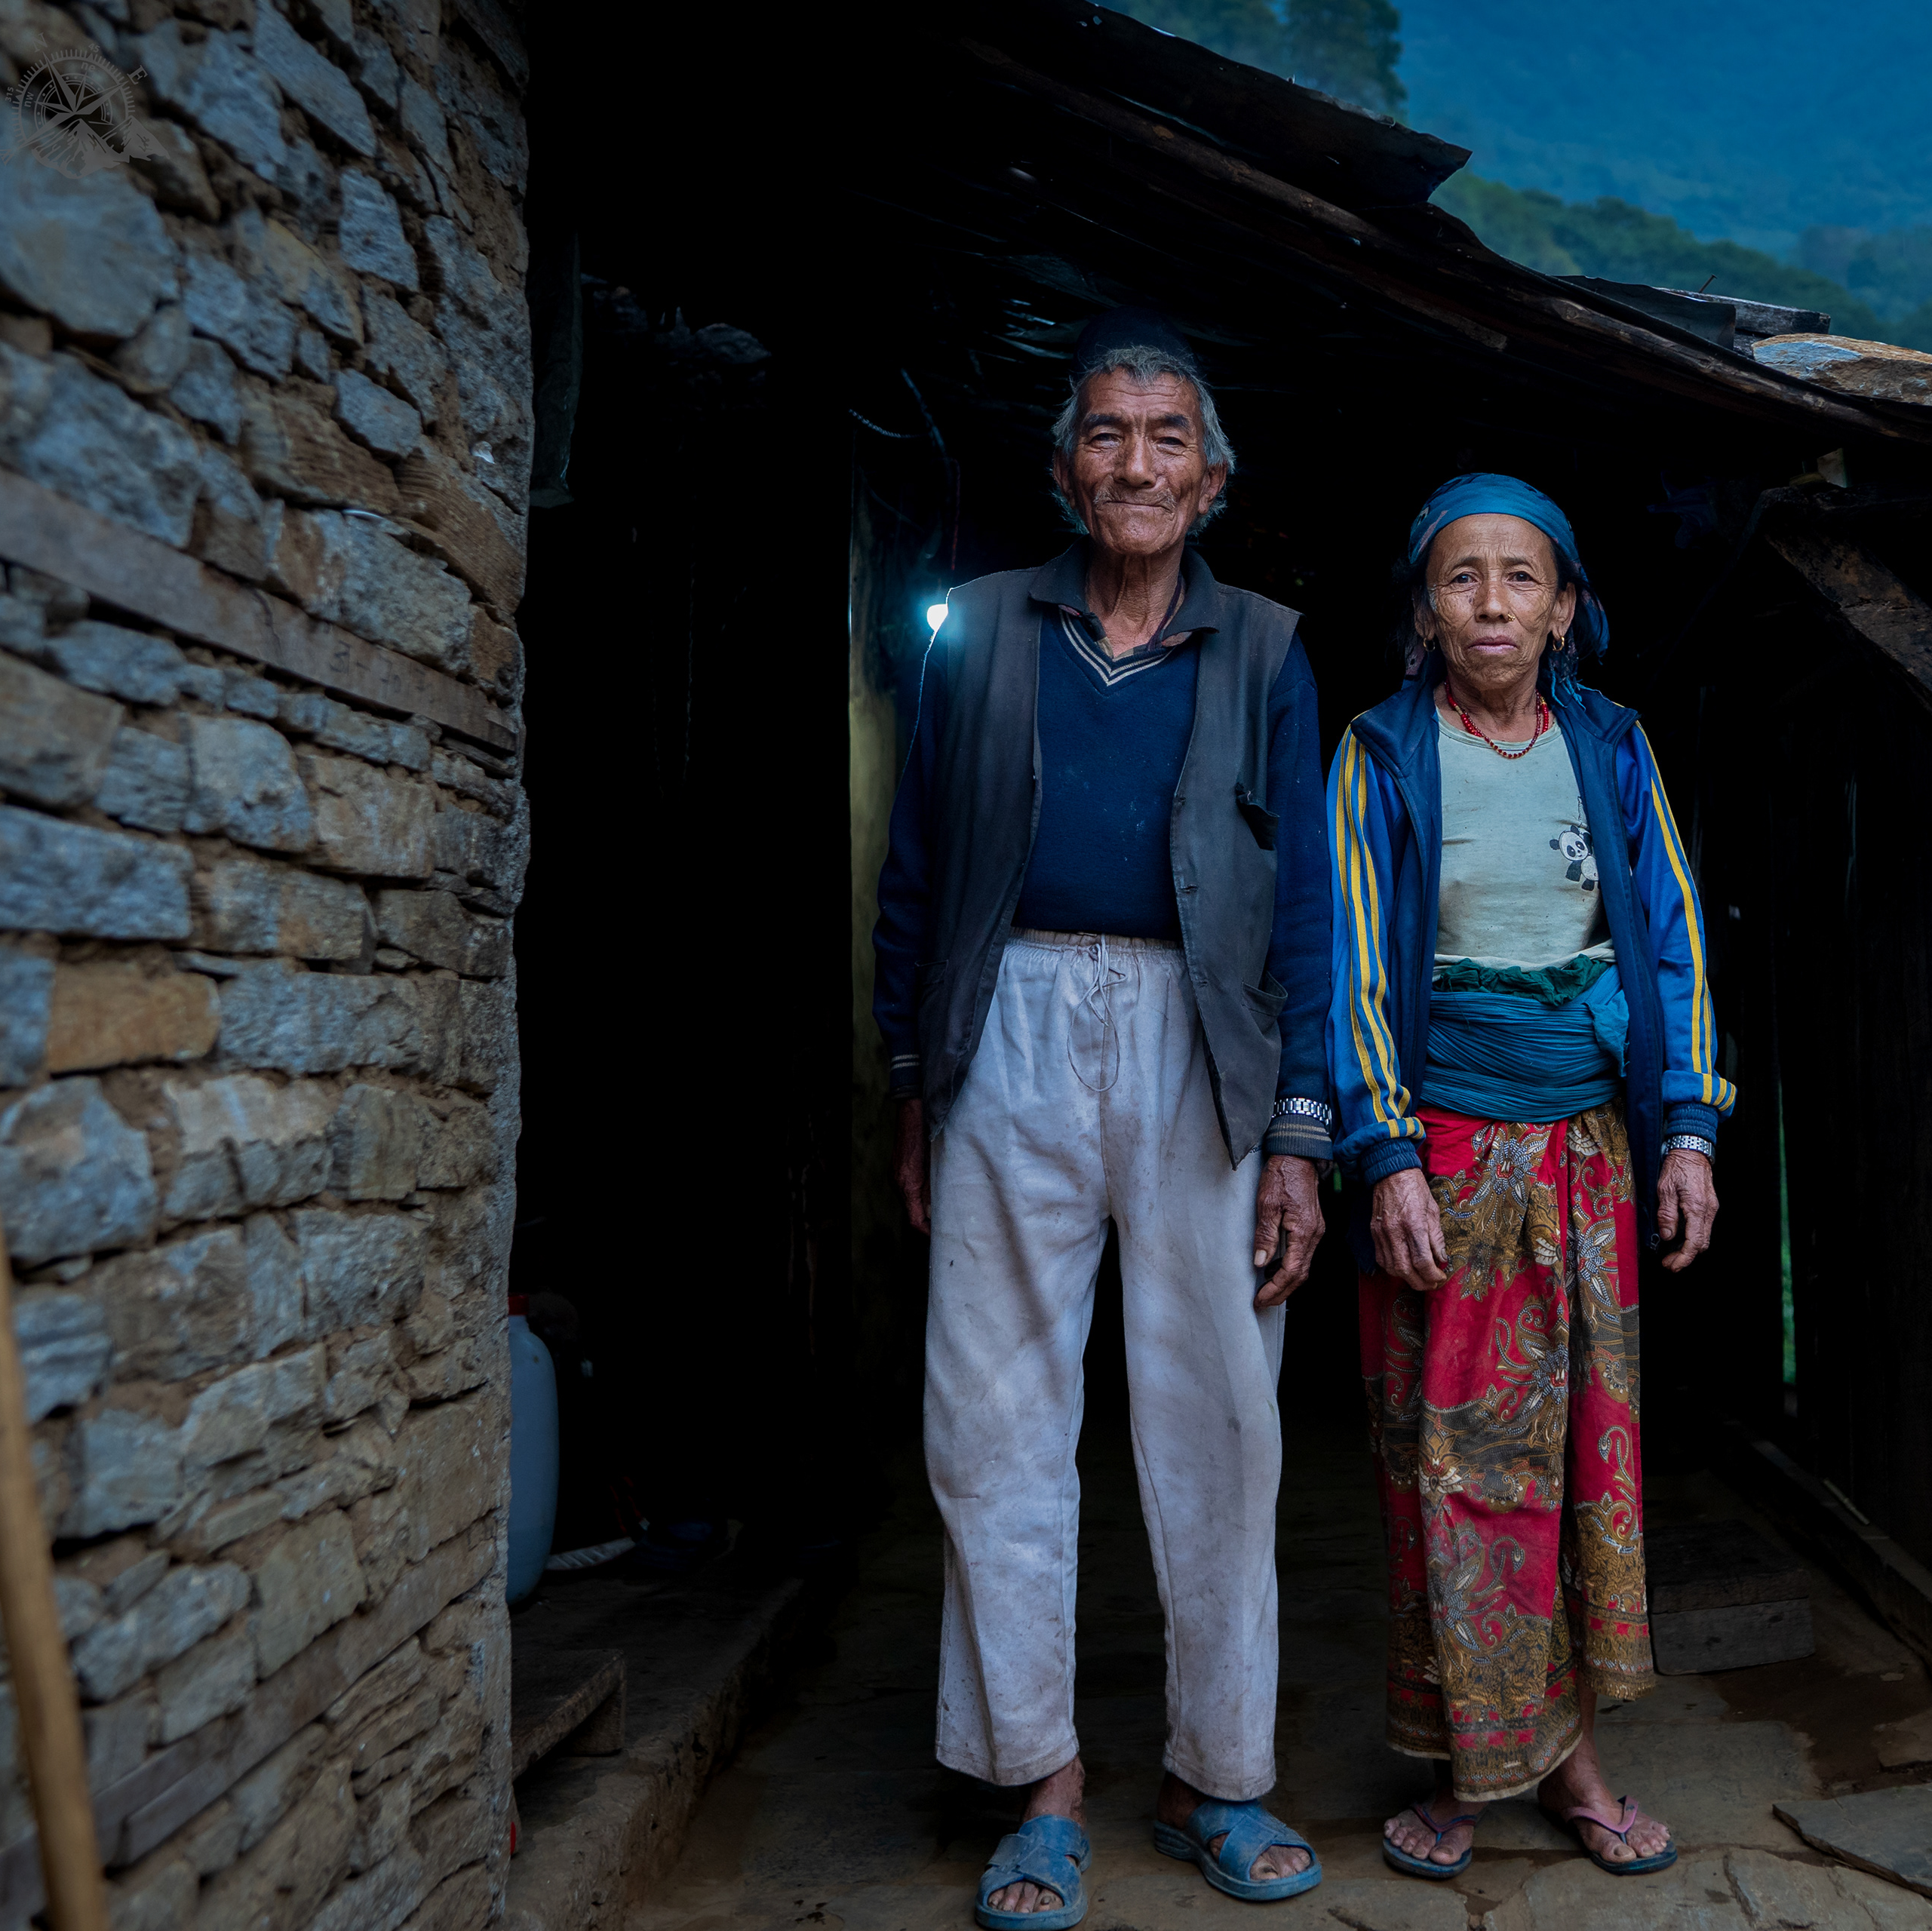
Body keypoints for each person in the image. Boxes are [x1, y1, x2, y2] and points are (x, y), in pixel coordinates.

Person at [873, 308, 1333, 1929]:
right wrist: (918, 1080)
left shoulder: (1268, 647)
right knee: (992, 1414)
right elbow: (917, 869)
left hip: (1203, 1038)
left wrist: (1301, 1125)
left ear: (1211, 480)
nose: (1135, 462)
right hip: (1008, 1019)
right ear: (1067, 467)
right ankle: (1039, 1779)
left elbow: (1304, 914)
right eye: (1106, 434)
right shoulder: (983, 628)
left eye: (1167, 439)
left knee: (1219, 1418)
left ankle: (1219, 1771)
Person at [1325, 475, 1732, 1883]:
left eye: (1519, 580)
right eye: (1460, 579)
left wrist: (1686, 1131)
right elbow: (1357, 967)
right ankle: (1466, 1767)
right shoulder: (1379, 754)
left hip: (1590, 1160)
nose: (1490, 604)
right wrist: (1382, 1154)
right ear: (1425, 610)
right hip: (1442, 1158)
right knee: (1447, 1473)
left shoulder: (1613, 747)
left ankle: (1563, 1769)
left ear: (1564, 608)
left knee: (1574, 1475)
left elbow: (1669, 934)